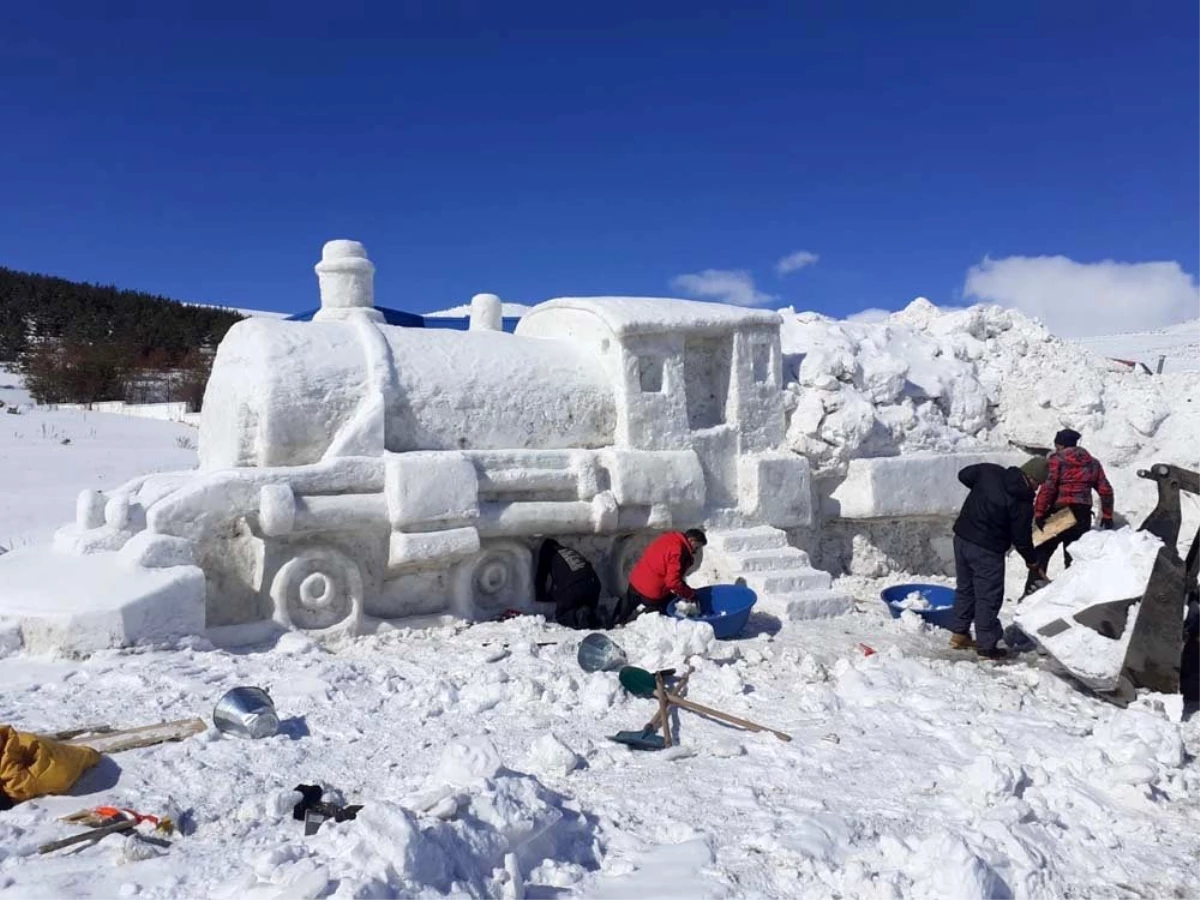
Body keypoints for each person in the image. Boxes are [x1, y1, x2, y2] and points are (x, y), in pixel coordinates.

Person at [948, 458, 1049, 659]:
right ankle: (987, 646)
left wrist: (979, 490)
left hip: (962, 539)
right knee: (988, 596)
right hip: (988, 550)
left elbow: (964, 475)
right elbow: (1021, 538)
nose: (1038, 488)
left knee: (965, 588)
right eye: (1039, 483)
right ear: (1031, 478)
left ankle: (959, 634)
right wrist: (1031, 560)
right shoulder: (1022, 502)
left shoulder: (988, 472)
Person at [1028, 429, 1115, 592]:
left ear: (1060, 444)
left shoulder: (1057, 460)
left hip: (1060, 513)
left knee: (1041, 552)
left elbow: (1048, 488)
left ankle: (1032, 593)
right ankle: (1072, 595)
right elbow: (1105, 490)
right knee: (1075, 558)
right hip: (1082, 515)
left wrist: (1039, 513)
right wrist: (1108, 514)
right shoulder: (1093, 462)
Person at [615, 529, 707, 626]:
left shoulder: (670, 537)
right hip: (652, 591)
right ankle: (649, 616)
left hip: (636, 580)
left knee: (628, 600)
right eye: (697, 547)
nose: (695, 551)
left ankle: (617, 620)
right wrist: (690, 594)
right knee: (673, 605)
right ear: (691, 540)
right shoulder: (679, 552)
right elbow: (672, 582)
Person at [534, 538, 606, 630]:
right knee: (589, 610)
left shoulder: (549, 555)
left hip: (574, 586)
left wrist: (541, 596)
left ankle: (577, 615)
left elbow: (541, 577)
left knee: (561, 616)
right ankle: (599, 614)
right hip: (594, 583)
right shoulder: (569, 552)